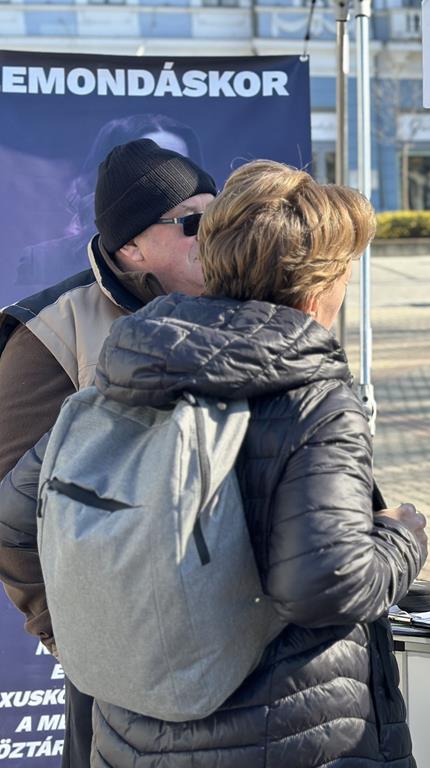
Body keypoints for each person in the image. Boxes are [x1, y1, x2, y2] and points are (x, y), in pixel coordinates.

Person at [1, 160, 428, 766]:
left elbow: (13, 517)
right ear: (319, 287)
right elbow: (325, 586)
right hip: (288, 735)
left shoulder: (123, 375)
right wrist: (401, 539)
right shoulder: (315, 402)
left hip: (134, 735)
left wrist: (101, 633)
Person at [0, 137, 217, 768]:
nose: (215, 234)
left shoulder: (248, 304)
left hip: (236, 642)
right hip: (120, 663)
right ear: (131, 247)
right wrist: (74, 637)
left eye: (220, 214)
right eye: (192, 222)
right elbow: (8, 511)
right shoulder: (51, 330)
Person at [15, 113, 204, 296]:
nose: (169, 178)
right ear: (108, 173)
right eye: (150, 167)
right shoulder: (41, 263)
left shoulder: (213, 253)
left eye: (181, 166)